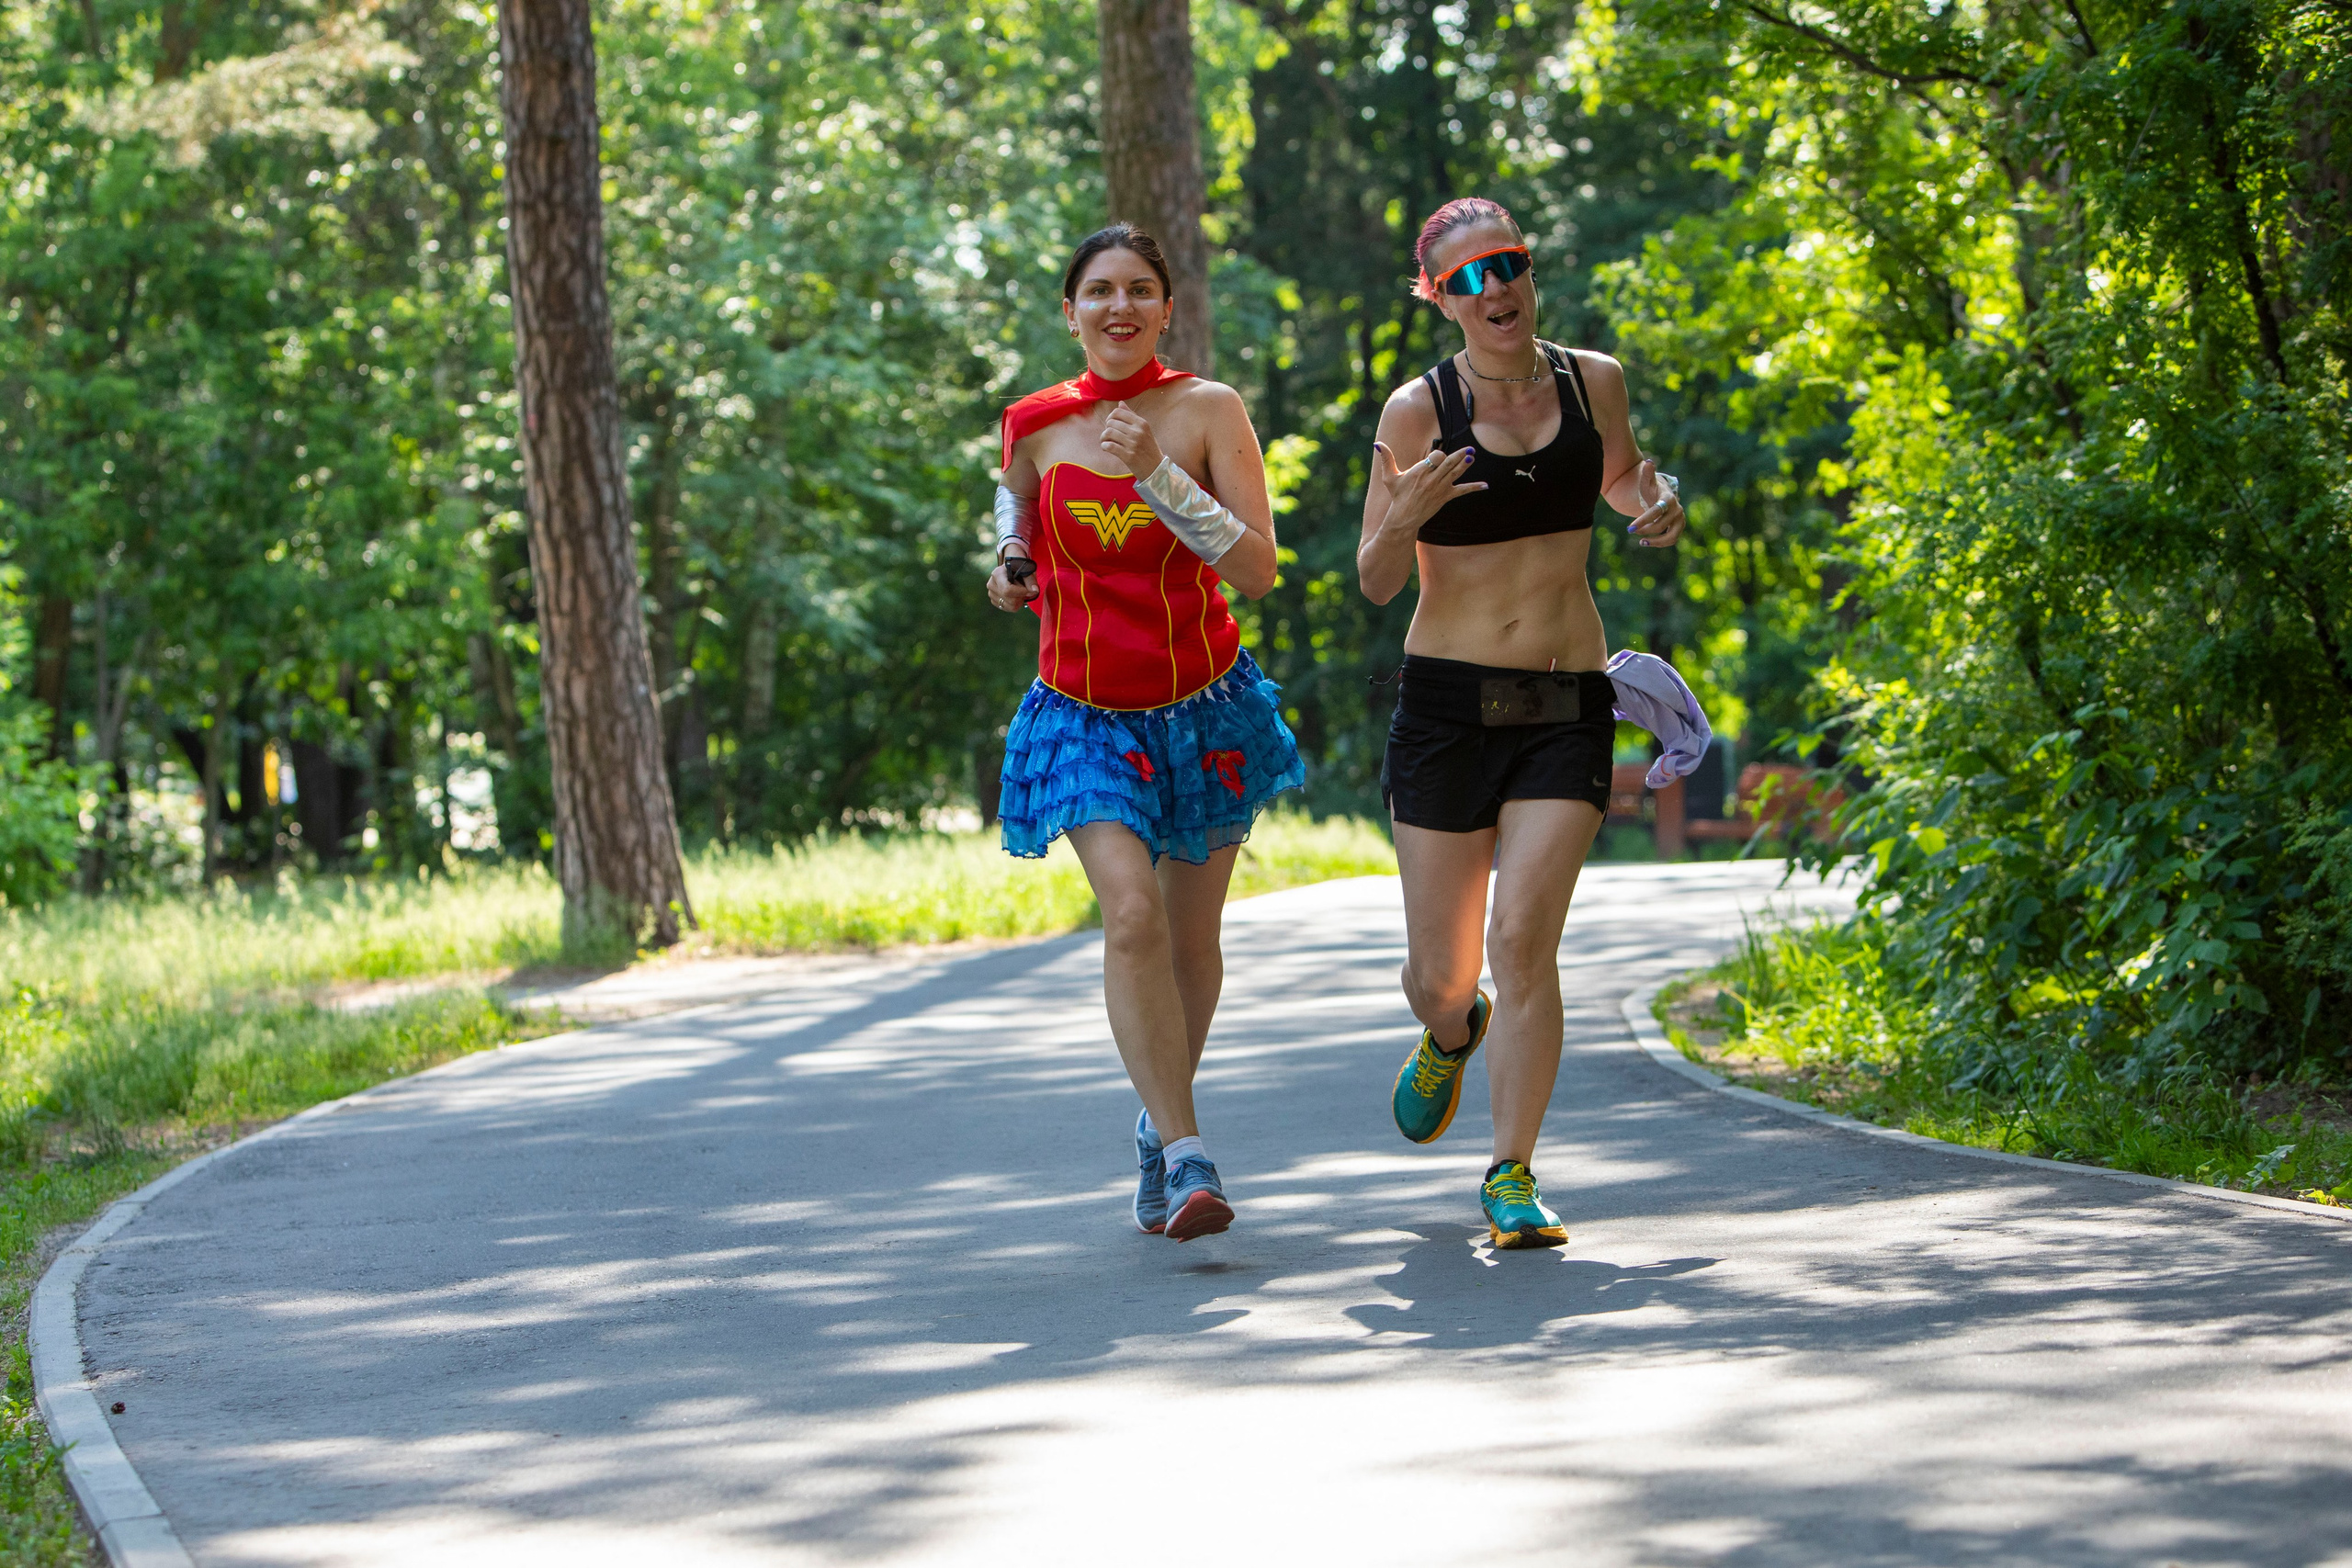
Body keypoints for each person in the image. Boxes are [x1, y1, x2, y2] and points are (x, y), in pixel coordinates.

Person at [1356, 197, 1689, 1249]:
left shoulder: (1596, 381)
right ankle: (1452, 1032)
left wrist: (1656, 500)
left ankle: (1512, 1173)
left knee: (1521, 940)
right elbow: (1371, 579)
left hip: (1562, 699)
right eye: (1463, 277)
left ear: (1528, 272)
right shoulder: (1418, 411)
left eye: (1505, 266)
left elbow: (1625, 479)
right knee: (1440, 976)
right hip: (1447, 708)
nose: (1490, 288)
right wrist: (1401, 518)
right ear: (1436, 298)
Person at [987, 222, 1304, 1244]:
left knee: (1190, 941)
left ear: (1167, 308)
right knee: (1131, 917)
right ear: (1068, 312)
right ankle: (1186, 1152)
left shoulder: (1209, 410)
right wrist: (1004, 574)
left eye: (1138, 291)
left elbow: (1255, 570)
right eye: (1097, 292)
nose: (1117, 308)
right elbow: (1013, 534)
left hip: (1202, 709)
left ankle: (1152, 1128)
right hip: (1080, 713)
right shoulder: (1032, 424)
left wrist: (1162, 478)